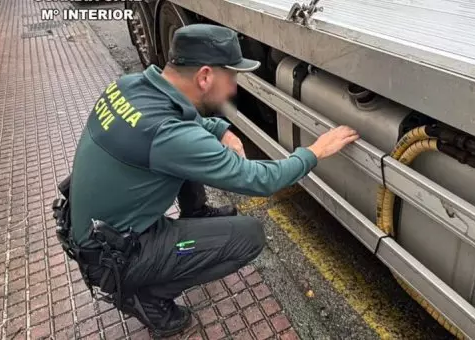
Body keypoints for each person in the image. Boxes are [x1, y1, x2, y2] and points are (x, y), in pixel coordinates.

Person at [65, 23, 359, 336]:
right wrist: (314, 151)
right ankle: (148, 298)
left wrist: (221, 130)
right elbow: (261, 180)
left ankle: (196, 215)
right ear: (205, 76)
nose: (233, 88)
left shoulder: (130, 86)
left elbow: (182, 124)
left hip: (90, 231)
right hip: (114, 257)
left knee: (186, 158)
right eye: (231, 77)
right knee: (249, 236)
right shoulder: (170, 137)